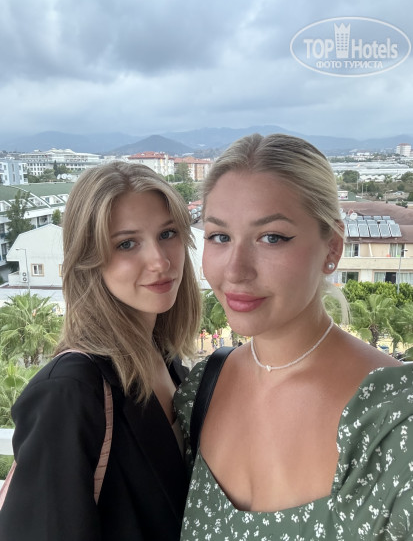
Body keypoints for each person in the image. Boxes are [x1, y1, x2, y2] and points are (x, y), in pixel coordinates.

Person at [174, 134, 413, 540]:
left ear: (332, 248)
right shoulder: (200, 393)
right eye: (220, 237)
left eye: (272, 237)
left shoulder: (394, 420)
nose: (235, 270)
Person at [0, 161, 201, 541]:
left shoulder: (165, 357)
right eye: (127, 243)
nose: (160, 261)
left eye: (168, 233)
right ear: (88, 260)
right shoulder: (70, 391)